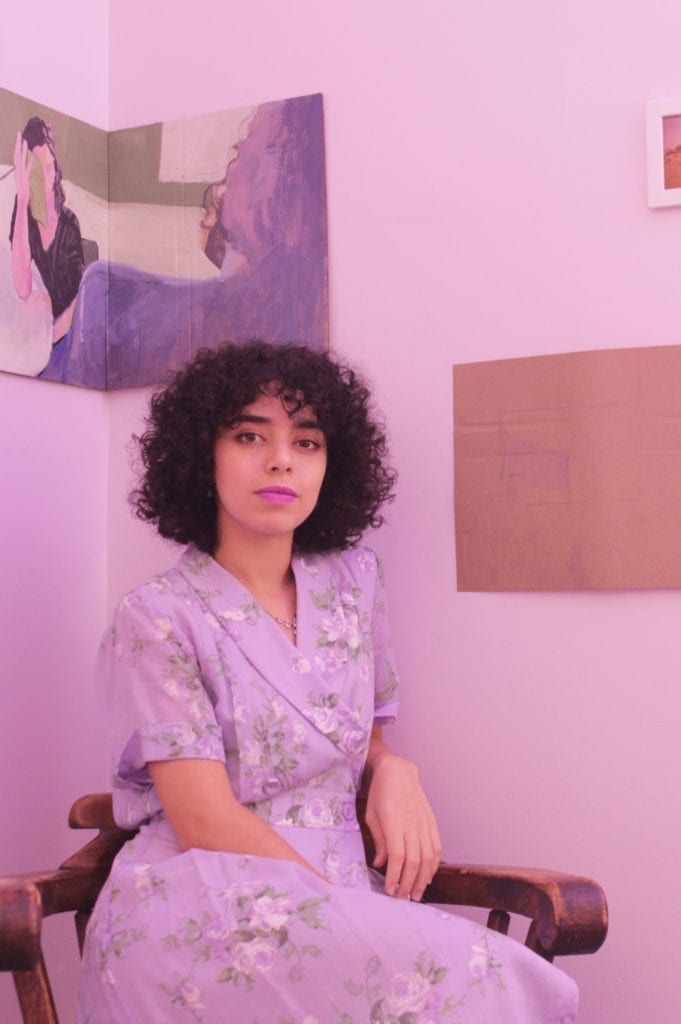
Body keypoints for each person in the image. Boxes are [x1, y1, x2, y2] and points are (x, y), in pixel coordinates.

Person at [77, 341, 579, 1022]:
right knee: (479, 974)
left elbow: (358, 732)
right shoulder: (158, 615)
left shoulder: (353, 582)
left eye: (306, 441)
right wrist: (348, 915)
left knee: (489, 980)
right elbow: (201, 818)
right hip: (203, 899)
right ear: (203, 456)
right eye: (249, 435)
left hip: (334, 889)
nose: (281, 459)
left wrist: (393, 768)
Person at [9, 117, 84, 347]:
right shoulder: (23, 211)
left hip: (71, 327)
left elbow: (80, 302)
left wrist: (48, 337)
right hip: (44, 330)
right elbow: (22, 287)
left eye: (50, 167)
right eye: (40, 173)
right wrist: (22, 201)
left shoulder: (69, 223)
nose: (48, 179)